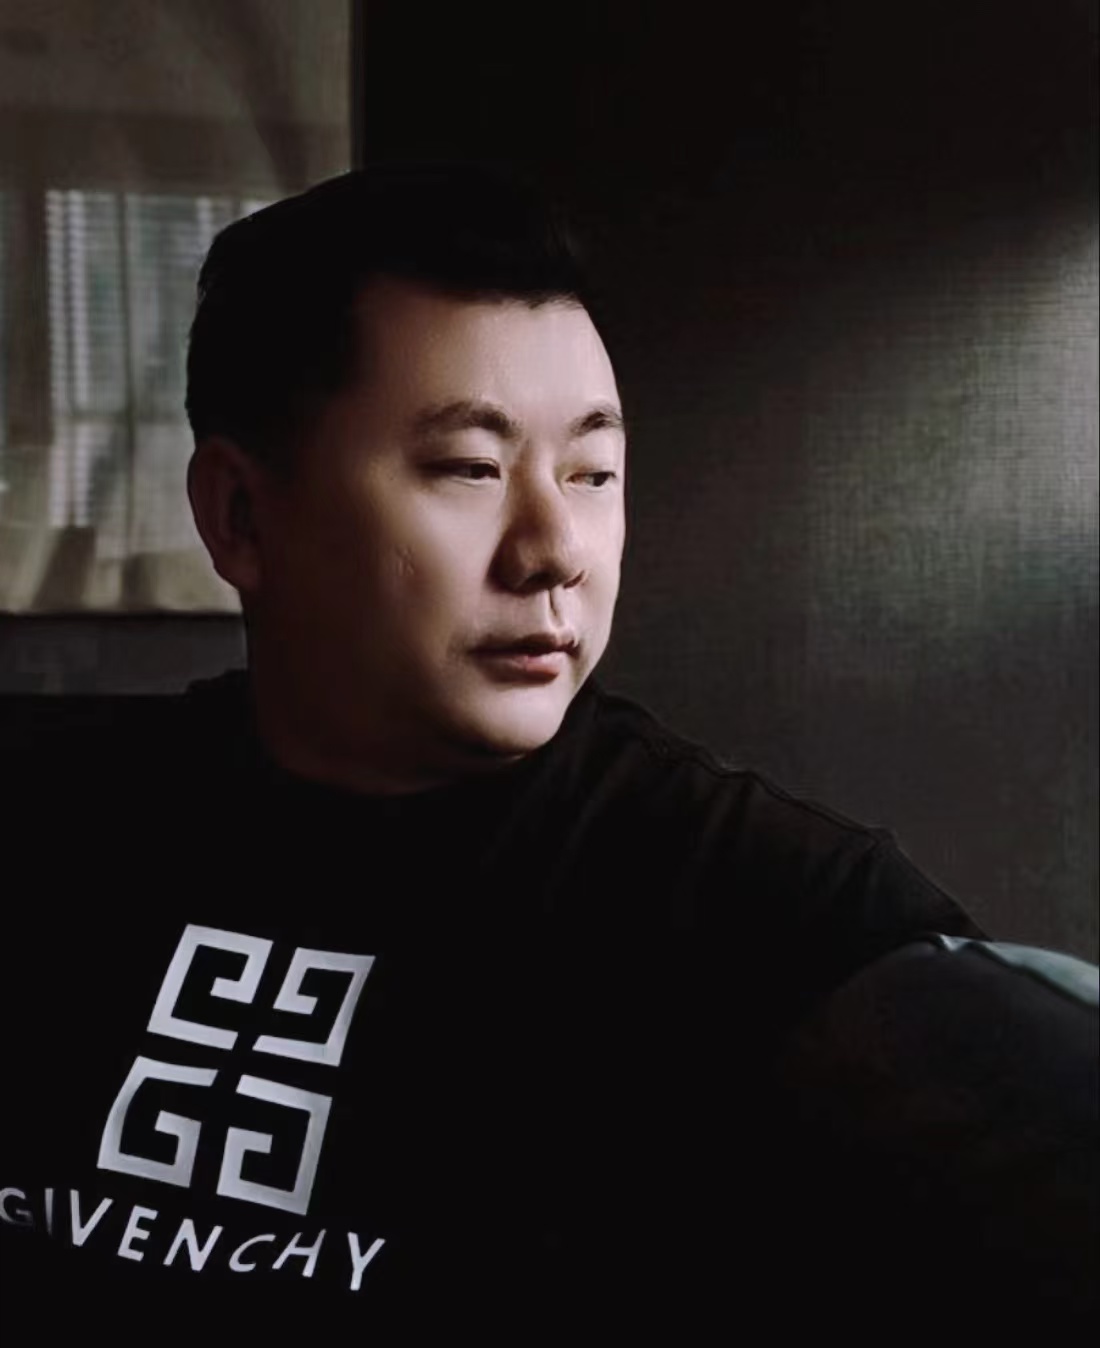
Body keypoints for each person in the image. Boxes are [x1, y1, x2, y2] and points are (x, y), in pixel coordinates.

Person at [1, 163, 1095, 1337]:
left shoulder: (761, 905)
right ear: (239, 515)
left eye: (592, 473)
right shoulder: (47, 806)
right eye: (469, 468)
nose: (555, 548)